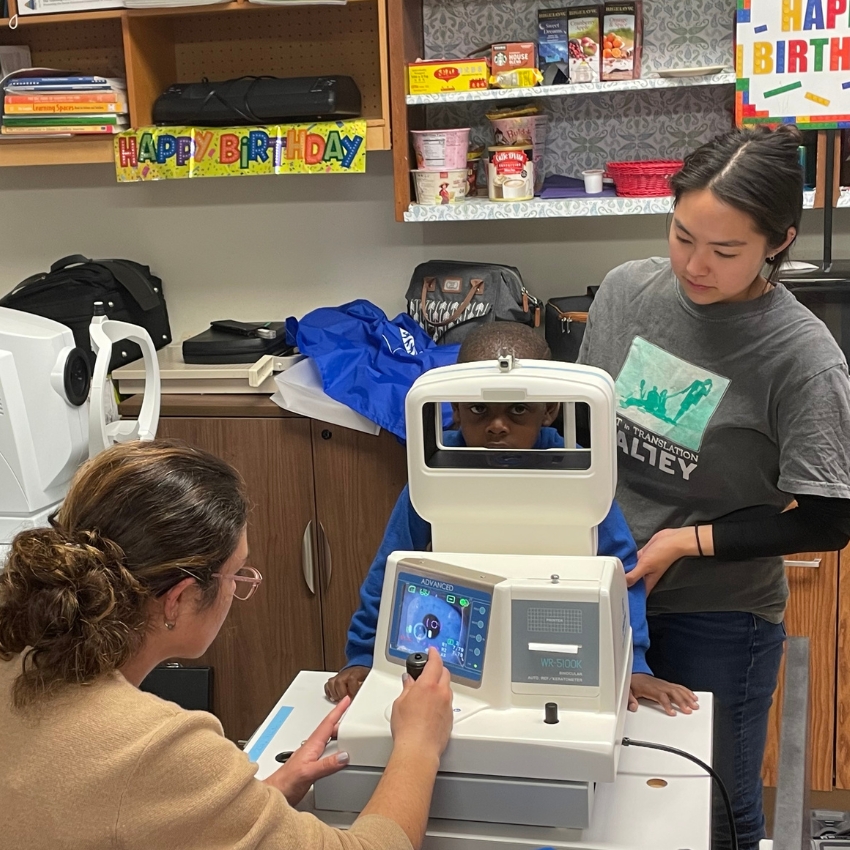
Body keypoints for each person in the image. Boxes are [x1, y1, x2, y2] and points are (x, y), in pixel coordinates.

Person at [577, 125, 850, 850]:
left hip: (719, 615)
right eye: (682, 235)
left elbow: (827, 521)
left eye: (725, 251)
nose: (696, 265)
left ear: (778, 242)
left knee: (713, 810)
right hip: (609, 596)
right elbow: (585, 437)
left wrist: (680, 541)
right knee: (611, 798)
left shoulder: (801, 356)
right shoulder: (627, 292)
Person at [0, 440, 453, 850]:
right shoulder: (159, 747)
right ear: (176, 600)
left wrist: (255, 803)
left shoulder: (16, 654)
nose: (240, 590)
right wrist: (418, 743)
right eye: (238, 575)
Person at [325, 322, 698, 718]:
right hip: (461, 655)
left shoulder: (581, 471)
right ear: (455, 408)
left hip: (557, 651)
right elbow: (392, 566)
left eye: (518, 408)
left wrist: (633, 664)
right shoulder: (433, 468)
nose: (497, 424)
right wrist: (362, 655)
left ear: (549, 409)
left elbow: (624, 573)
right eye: (478, 408)